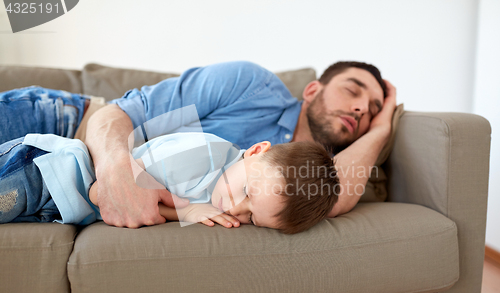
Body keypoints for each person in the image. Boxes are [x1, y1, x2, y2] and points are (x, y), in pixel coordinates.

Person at [0, 60, 396, 228]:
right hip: (68, 121)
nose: (362, 107)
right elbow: (115, 117)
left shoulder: (304, 180)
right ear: (313, 89)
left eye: (374, 108)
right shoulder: (250, 85)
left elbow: (338, 195)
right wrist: (118, 174)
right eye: (353, 90)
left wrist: (381, 131)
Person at [0, 131, 339, 234]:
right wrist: (189, 210)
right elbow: (112, 192)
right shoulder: (204, 154)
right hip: (46, 172)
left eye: (252, 217)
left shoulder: (219, 192)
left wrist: (190, 212)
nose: (236, 209)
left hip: (58, 207)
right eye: (247, 192)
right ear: (255, 151)